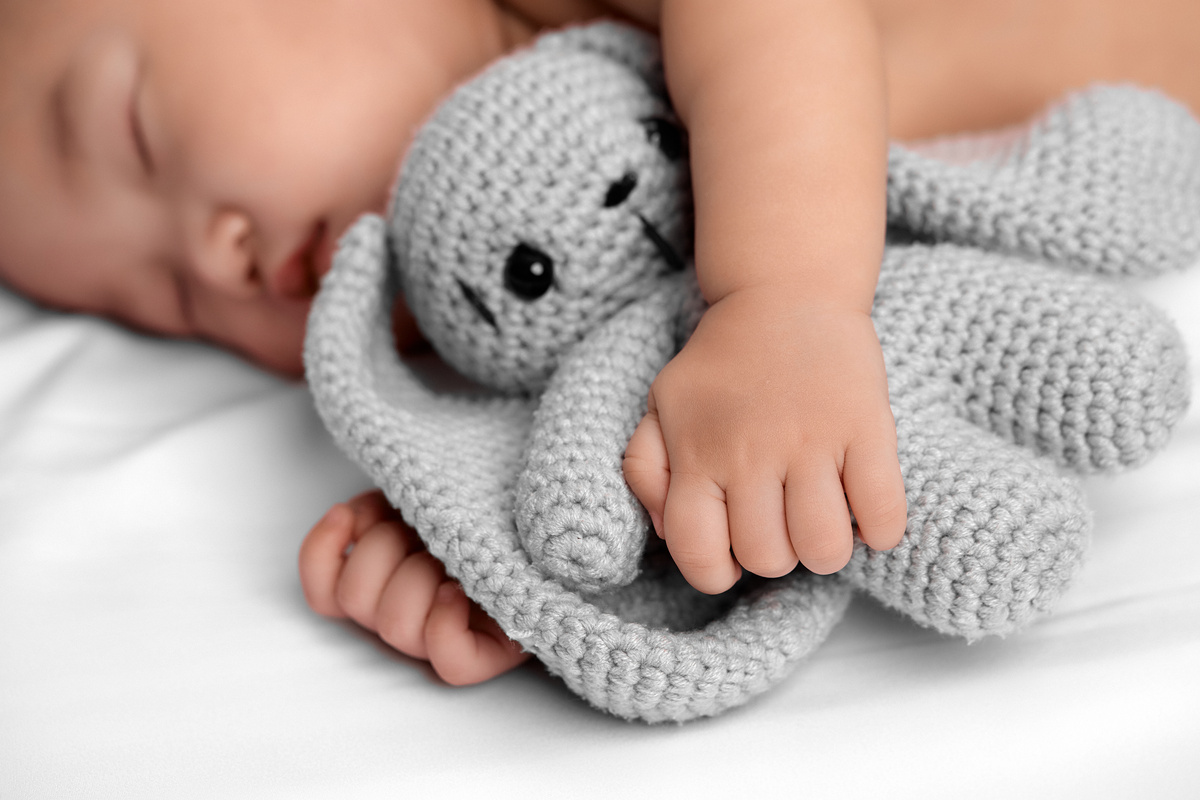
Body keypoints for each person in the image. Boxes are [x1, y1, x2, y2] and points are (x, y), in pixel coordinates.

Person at [2, 0, 1198, 687]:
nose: (211, 261)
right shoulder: (517, 305)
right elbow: (644, 425)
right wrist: (491, 537)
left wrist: (779, 297)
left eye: (137, 133)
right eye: (157, 302)